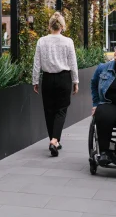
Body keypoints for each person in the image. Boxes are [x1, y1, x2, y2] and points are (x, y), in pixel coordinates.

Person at [32, 12, 79, 157]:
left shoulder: (41, 41)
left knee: (49, 110)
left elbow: (36, 63)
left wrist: (35, 80)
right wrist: (75, 81)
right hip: (63, 78)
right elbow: (73, 63)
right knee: (61, 110)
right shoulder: (68, 41)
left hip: (47, 79)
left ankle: (54, 139)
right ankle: (54, 140)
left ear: (49, 26)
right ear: (63, 26)